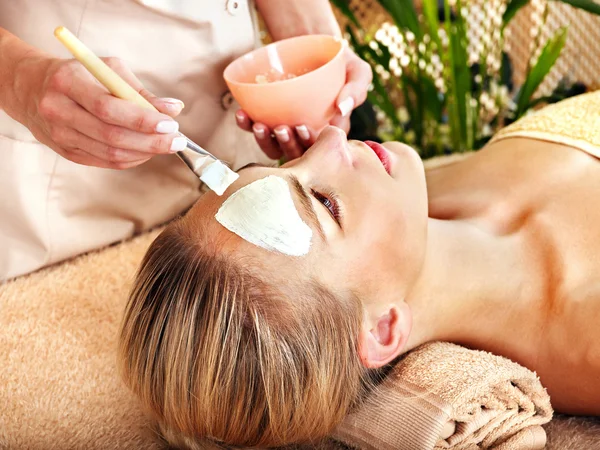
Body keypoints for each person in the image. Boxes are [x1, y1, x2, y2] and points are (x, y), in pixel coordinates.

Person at [118, 90, 600, 448]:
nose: (330, 139)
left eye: (282, 167)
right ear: (384, 328)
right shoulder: (587, 336)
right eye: (326, 205)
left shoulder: (414, 191)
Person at [0, 0, 371, 281]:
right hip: (64, 196)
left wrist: (314, 45)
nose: (338, 146)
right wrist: (21, 78)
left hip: (230, 152)